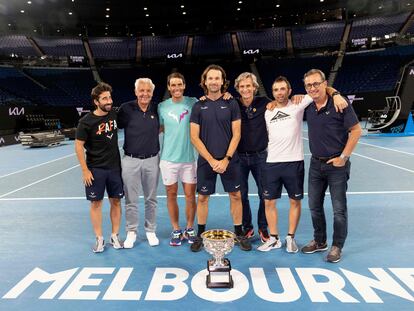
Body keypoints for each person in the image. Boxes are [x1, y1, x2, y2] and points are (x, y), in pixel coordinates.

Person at [258, 76, 347, 253]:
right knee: (268, 202)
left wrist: (335, 94)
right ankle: (274, 238)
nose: (279, 92)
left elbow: (320, 89)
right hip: (272, 163)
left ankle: (290, 237)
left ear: (289, 91)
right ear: (272, 92)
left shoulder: (298, 105)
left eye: (283, 89)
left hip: (294, 162)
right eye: (276, 90)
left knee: (295, 202)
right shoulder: (268, 111)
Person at [301, 69, 362, 263]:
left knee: (338, 209)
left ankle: (337, 246)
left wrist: (343, 157)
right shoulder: (308, 106)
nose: (313, 88)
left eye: (316, 84)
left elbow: (356, 130)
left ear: (324, 83)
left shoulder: (340, 104)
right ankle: (320, 241)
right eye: (309, 85)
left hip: (337, 165)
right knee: (314, 207)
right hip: (315, 164)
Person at [189, 64, 252, 252]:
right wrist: (211, 160)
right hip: (206, 161)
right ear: (205, 81)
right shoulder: (198, 106)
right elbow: (194, 137)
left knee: (235, 196)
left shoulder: (232, 103)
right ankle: (200, 235)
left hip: (230, 160)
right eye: (211, 78)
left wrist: (226, 159)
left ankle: (239, 233)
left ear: (223, 81)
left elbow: (237, 133)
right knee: (202, 198)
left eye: (217, 78)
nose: (214, 81)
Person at [75, 82, 123, 253]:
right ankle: (99, 238)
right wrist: (84, 170)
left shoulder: (114, 114)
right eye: (104, 98)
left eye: (109, 97)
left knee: (116, 201)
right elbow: (78, 146)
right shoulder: (85, 122)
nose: (109, 101)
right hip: (95, 170)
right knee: (96, 203)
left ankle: (115, 235)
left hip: (115, 168)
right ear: (96, 101)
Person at [117, 78, 160, 248]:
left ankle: (150, 230)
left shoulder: (157, 108)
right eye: (141, 90)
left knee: (151, 199)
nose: (145, 94)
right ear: (136, 92)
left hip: (152, 160)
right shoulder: (126, 109)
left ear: (152, 92)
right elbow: (114, 126)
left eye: (148, 91)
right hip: (130, 161)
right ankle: (131, 232)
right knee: (131, 199)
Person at [158, 72, 198, 246]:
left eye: (179, 84)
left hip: (189, 158)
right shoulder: (162, 107)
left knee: (190, 196)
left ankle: (189, 228)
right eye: (173, 85)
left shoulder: (193, 102)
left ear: (184, 85)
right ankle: (176, 229)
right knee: (171, 194)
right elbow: (158, 128)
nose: (176, 88)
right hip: (168, 160)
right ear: (169, 87)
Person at [234, 72, 270, 243]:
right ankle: (247, 228)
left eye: (248, 86)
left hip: (261, 156)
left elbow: (286, 102)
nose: (245, 89)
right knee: (241, 195)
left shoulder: (265, 103)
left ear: (255, 87)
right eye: (242, 86)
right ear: (238, 89)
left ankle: (263, 228)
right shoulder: (232, 104)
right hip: (239, 158)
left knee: (265, 194)